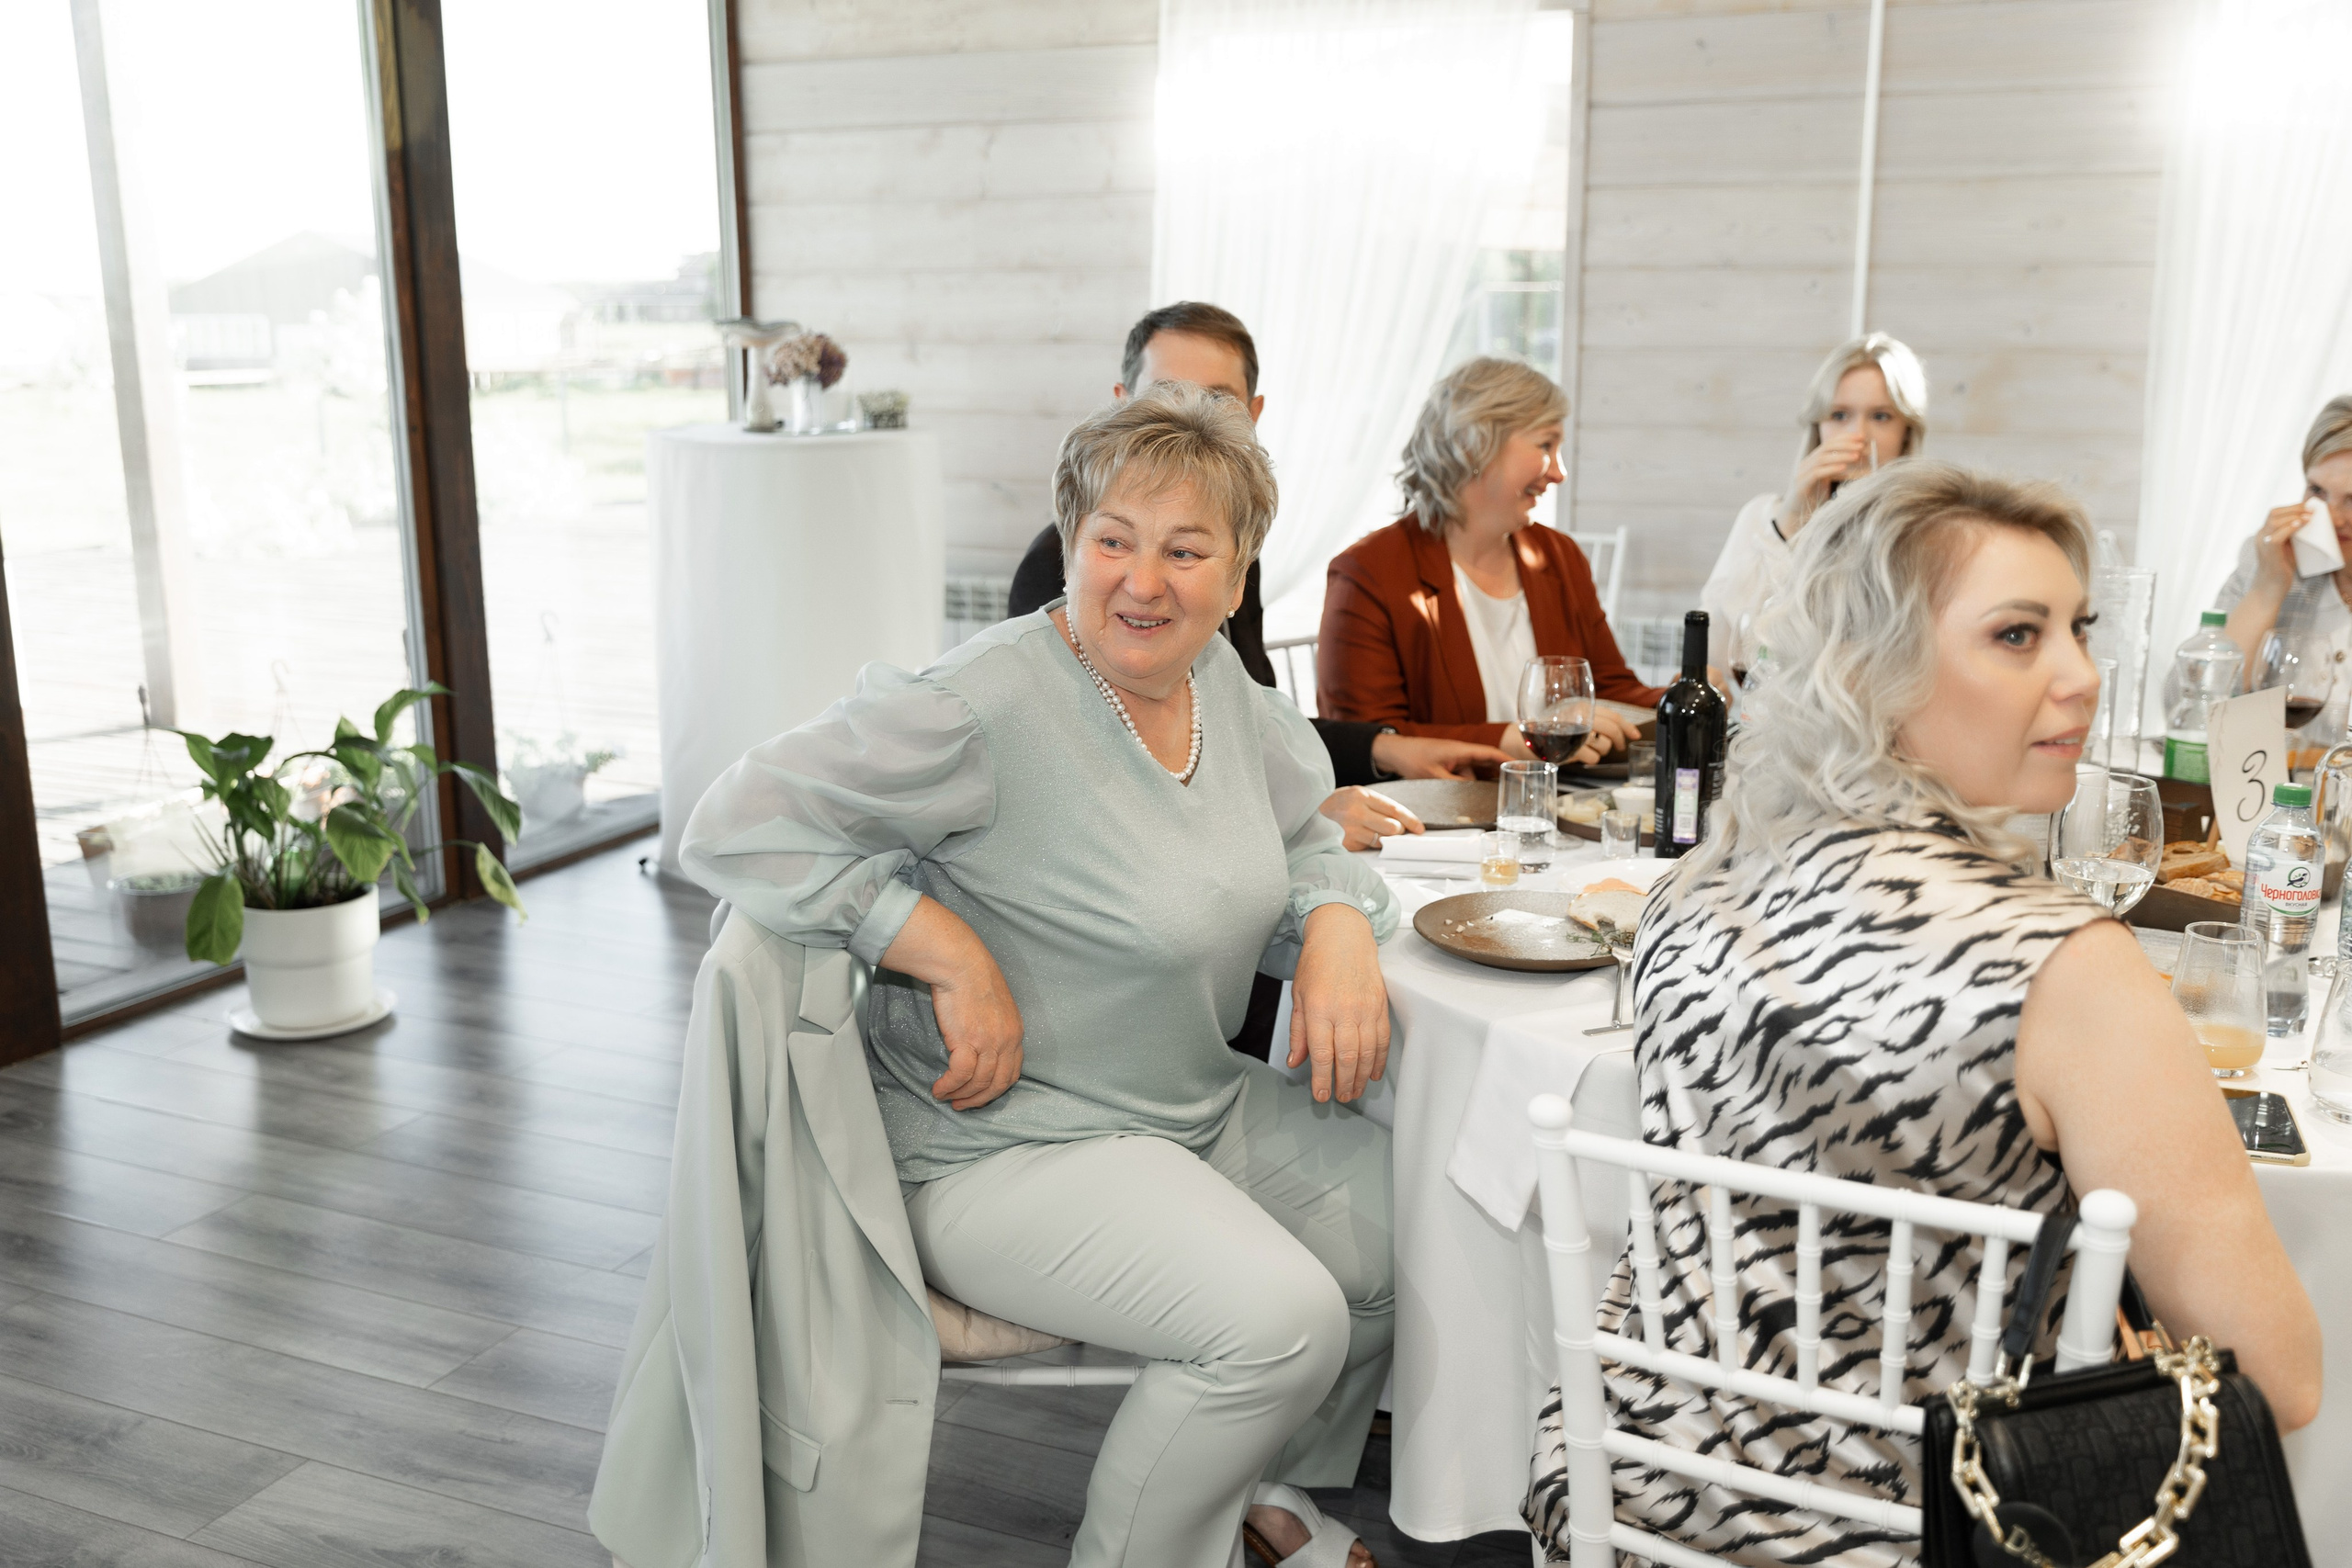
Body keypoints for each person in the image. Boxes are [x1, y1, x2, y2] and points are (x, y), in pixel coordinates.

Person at [1523, 462, 2321, 1567]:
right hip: (1930, 1532)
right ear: (1868, 671)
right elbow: (2275, 1379)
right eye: (2016, 635)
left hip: (1638, 1496)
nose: (2081, 676)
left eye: (2078, 629)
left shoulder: (1692, 891)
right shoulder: (2065, 971)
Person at [685, 383, 1396, 1568]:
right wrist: (933, 938)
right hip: (998, 1142)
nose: (1141, 582)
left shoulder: (1223, 690)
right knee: (1280, 1323)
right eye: (1112, 540)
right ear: (1069, 542)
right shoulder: (981, 704)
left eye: (1185, 551)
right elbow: (731, 821)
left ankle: (1251, 1489)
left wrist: (1336, 923)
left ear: (1236, 577)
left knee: (1404, 1237)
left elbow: (1306, 832)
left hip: (1185, 1108)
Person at [1009, 300, 1510, 850]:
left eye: (1216, 400)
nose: (1186, 420)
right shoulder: (1064, 565)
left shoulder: (1229, 550)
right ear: (1121, 404)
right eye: (1166, 394)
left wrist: (1383, 747)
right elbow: (1087, 783)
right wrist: (1292, 821)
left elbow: (1246, 720)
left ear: (1253, 415)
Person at [1317, 357, 1657, 755]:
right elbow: (1367, 742)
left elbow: (1609, 687)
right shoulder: (1368, 574)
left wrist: (1684, 698)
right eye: (1546, 445)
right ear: (1476, 445)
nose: (1559, 472)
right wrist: (1510, 740)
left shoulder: (1559, 555)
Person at [1698, 332, 1928, 670]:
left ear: (1906, 432)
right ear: (1818, 426)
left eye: (1880, 417)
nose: (1857, 436)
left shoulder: (1928, 531)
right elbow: (1719, 655)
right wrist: (1789, 522)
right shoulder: (1762, 517)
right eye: (1839, 416)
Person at [2215, 393, 2352, 735]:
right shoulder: (2273, 559)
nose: (2333, 519)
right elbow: (2192, 706)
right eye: (2317, 491)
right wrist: (2268, 588)